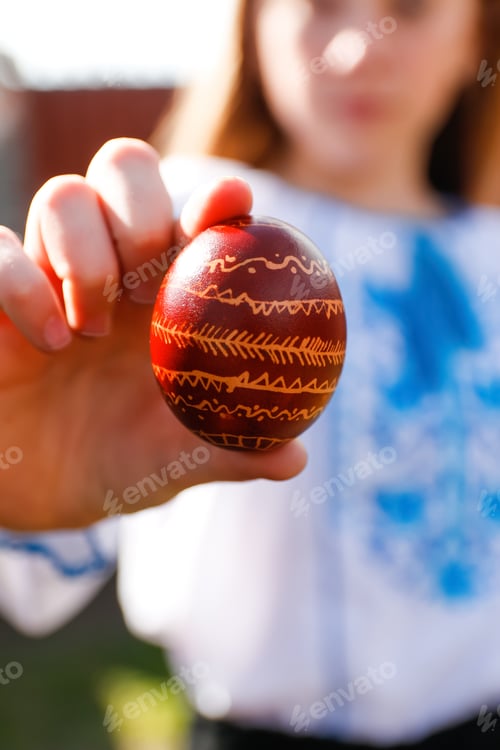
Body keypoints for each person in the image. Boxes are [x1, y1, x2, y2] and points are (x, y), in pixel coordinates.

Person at [1, 0, 500, 747]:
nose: (358, 52)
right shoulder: (169, 236)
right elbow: (25, 589)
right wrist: (16, 469)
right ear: (253, 31)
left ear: (477, 41)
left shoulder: (491, 254)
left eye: (411, 9)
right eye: (319, 6)